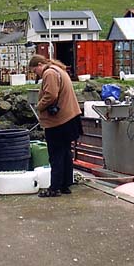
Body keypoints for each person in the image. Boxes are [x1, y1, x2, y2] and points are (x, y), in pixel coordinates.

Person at [28, 54, 82, 197]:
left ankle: (55, 187)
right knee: (65, 153)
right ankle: (65, 185)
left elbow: (51, 95)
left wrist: (39, 106)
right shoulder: (59, 70)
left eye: (35, 71)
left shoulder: (50, 73)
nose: (36, 75)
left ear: (40, 65)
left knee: (56, 155)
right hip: (70, 118)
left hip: (58, 121)